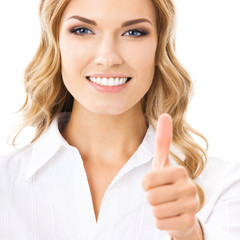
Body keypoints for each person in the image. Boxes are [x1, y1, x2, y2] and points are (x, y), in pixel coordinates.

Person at [0, 0, 239, 239]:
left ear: (159, 47)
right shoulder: (6, 183)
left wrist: (190, 235)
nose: (108, 58)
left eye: (133, 32)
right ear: (56, 42)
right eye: (83, 30)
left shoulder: (221, 184)